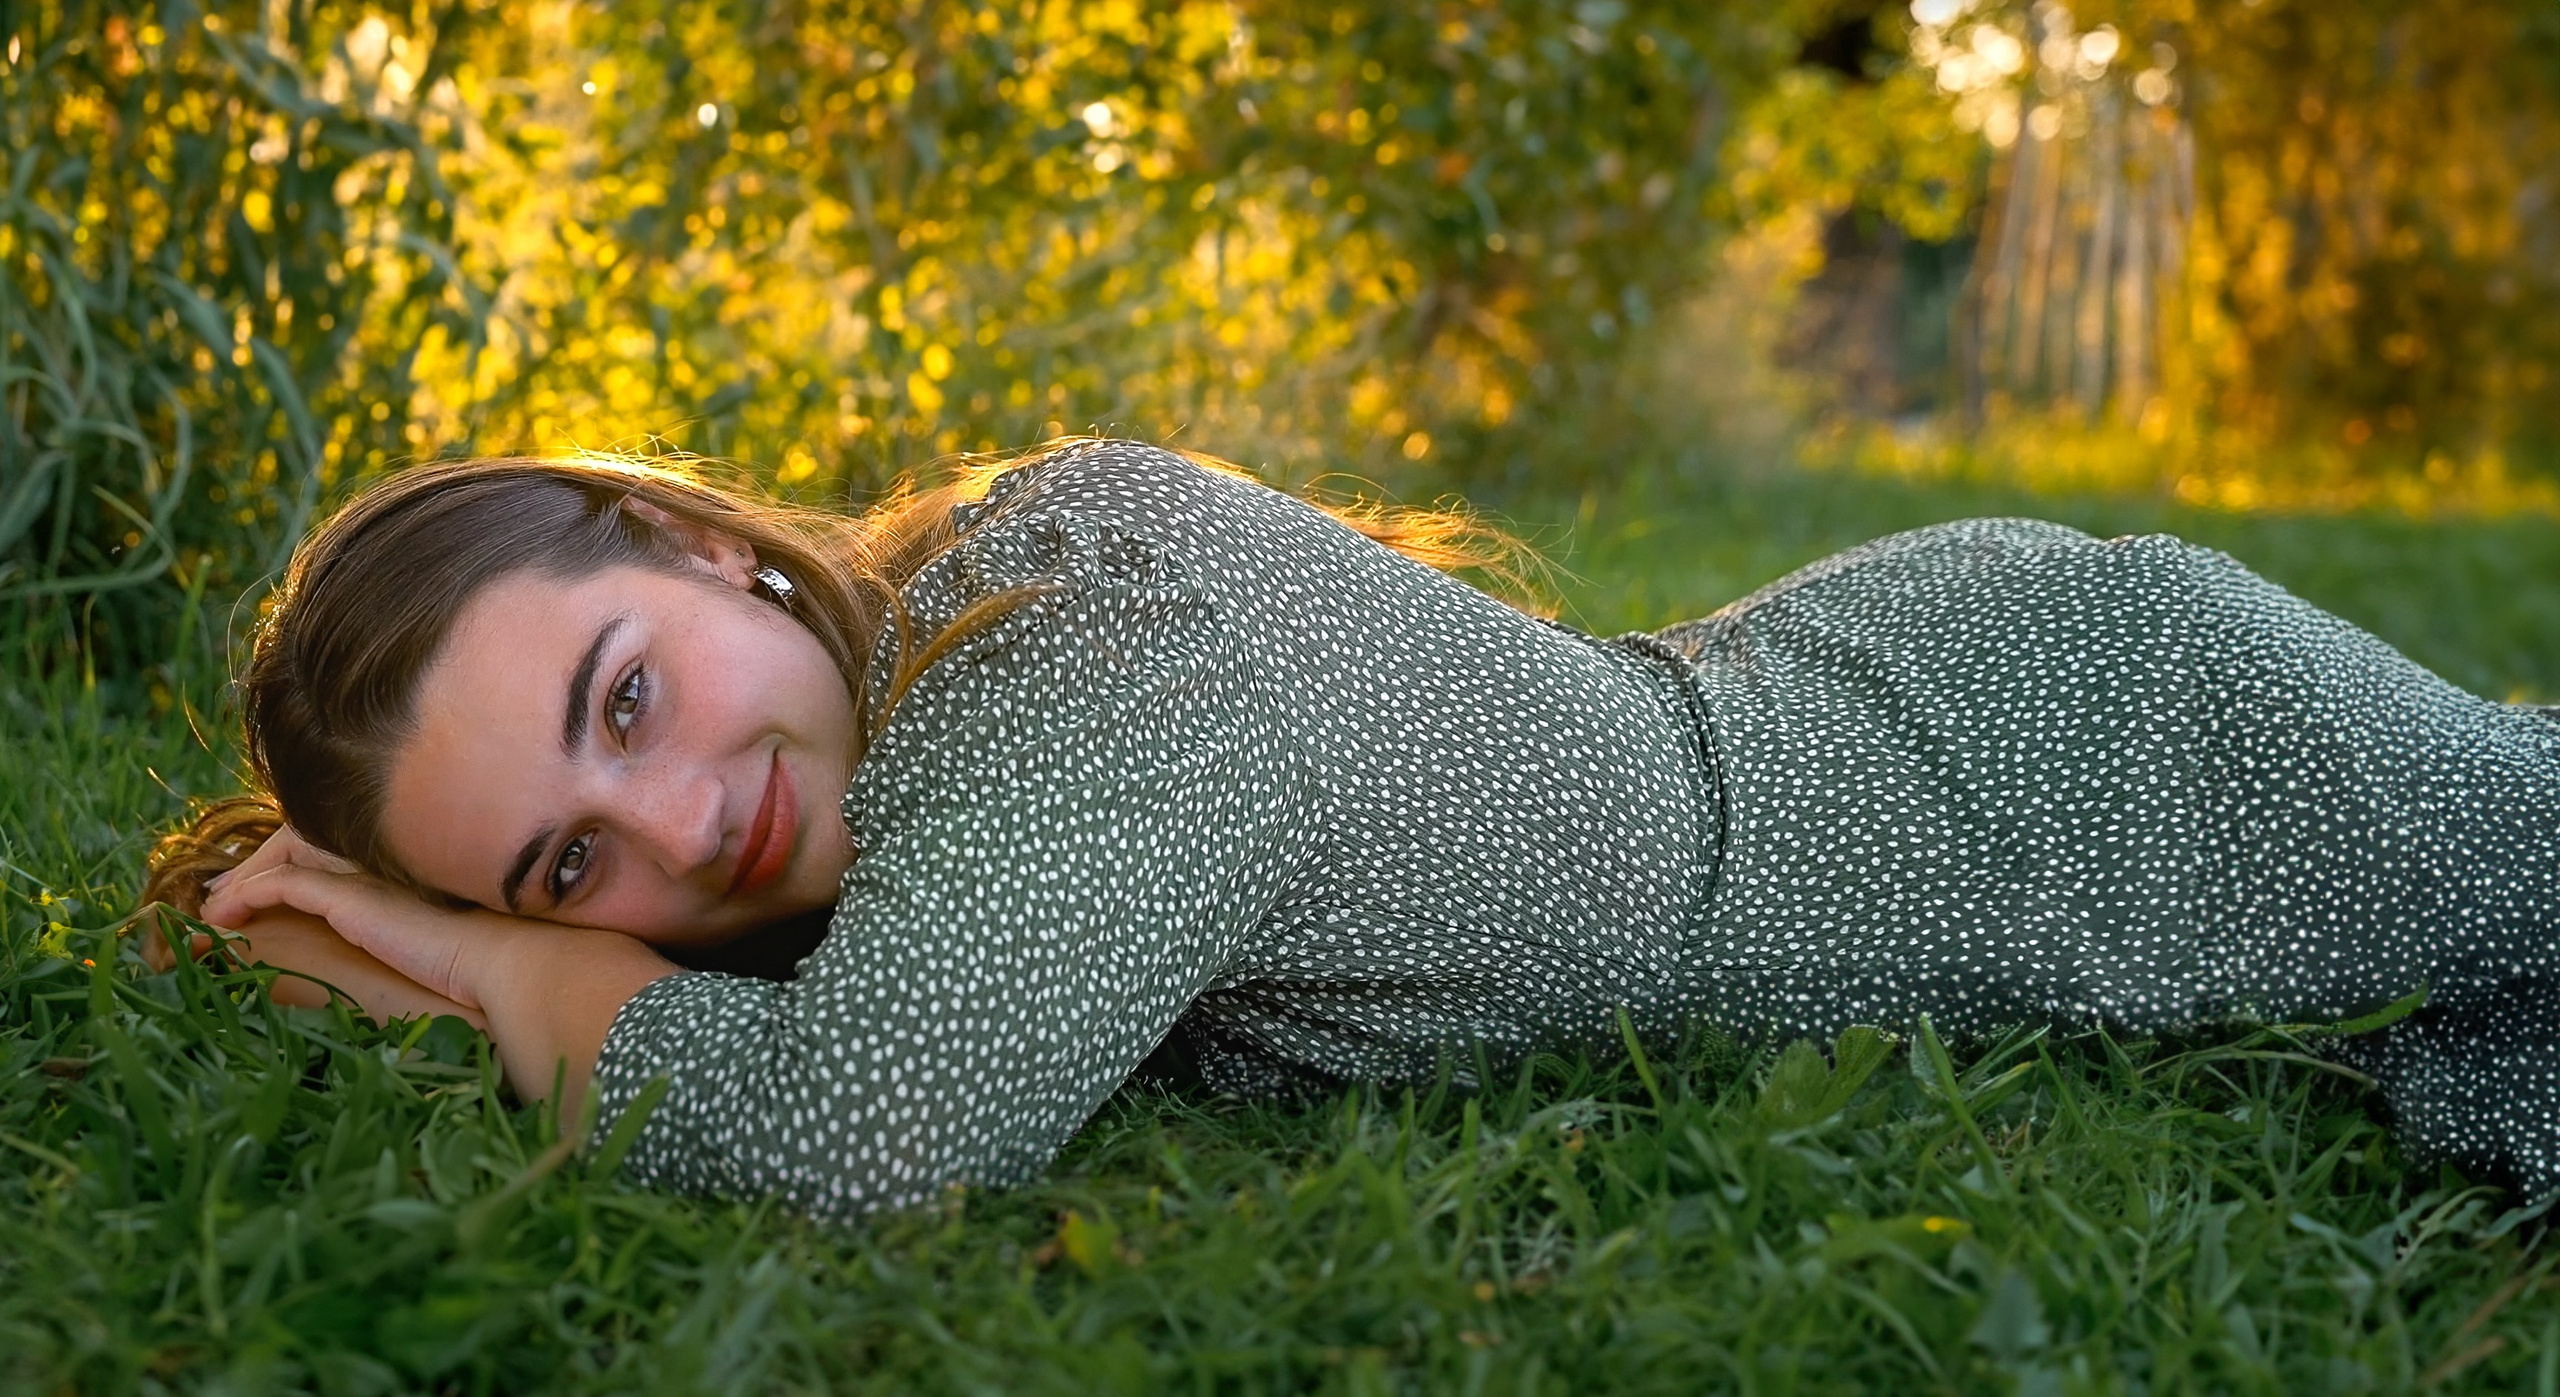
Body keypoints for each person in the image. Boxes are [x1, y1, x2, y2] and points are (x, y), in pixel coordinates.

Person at [144, 438, 2560, 1221]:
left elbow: (871, 1132)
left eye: (627, 697)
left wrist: (483, 967)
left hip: (2052, 766)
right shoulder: (944, 748)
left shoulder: (1090, 635)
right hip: (1857, 699)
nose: (685, 825)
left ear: (694, 548)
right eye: (570, 862)